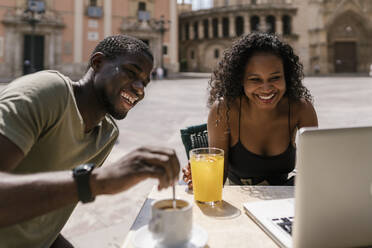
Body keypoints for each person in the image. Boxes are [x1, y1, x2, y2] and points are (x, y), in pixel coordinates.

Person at [0, 34, 180, 247]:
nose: (140, 89)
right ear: (97, 62)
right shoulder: (47, 92)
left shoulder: (106, 134)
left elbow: (42, 221)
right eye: (131, 72)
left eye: (145, 82)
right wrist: (97, 181)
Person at [183, 32, 318, 188]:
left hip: (286, 202)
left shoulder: (301, 109)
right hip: (240, 201)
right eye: (255, 79)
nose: (266, 88)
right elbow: (217, 178)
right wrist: (201, 177)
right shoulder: (224, 110)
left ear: (286, 77)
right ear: (241, 80)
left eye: (275, 78)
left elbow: (314, 168)